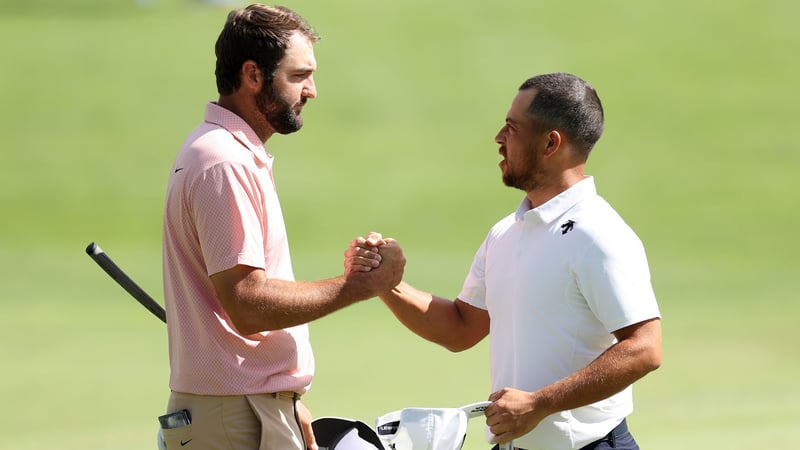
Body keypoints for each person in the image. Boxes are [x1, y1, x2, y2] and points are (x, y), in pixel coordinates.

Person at [349, 73, 662, 450]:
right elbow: (461, 328)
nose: (499, 138)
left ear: (550, 143)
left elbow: (645, 347)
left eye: (513, 128)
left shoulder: (598, 233)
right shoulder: (506, 233)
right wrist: (388, 284)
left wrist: (539, 404)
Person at [160, 5, 404, 450]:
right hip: (233, 418)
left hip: (242, 407)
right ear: (253, 75)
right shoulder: (225, 163)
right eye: (299, 76)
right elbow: (247, 304)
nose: (312, 90)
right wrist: (358, 285)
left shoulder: (223, 152)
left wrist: (280, 398)